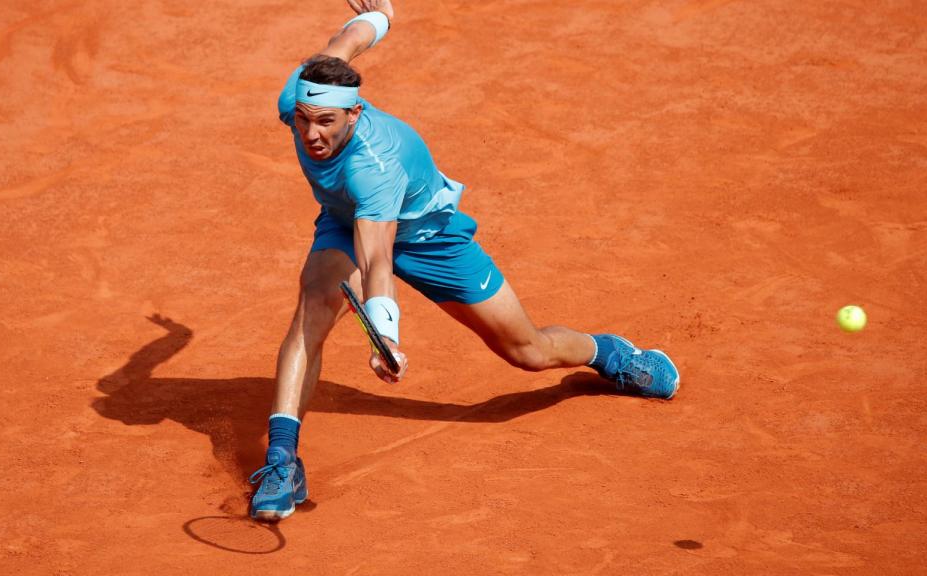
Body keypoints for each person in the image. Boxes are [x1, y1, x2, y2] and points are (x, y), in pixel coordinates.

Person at [248, 0, 680, 521]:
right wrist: (381, 18)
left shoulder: (373, 167)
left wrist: (386, 334)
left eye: (325, 122)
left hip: (428, 237)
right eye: (303, 120)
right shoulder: (300, 96)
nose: (311, 134)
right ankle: (281, 461)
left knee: (528, 351)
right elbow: (344, 44)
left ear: (354, 114)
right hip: (346, 221)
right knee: (314, 304)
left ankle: (607, 353)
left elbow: (378, 258)